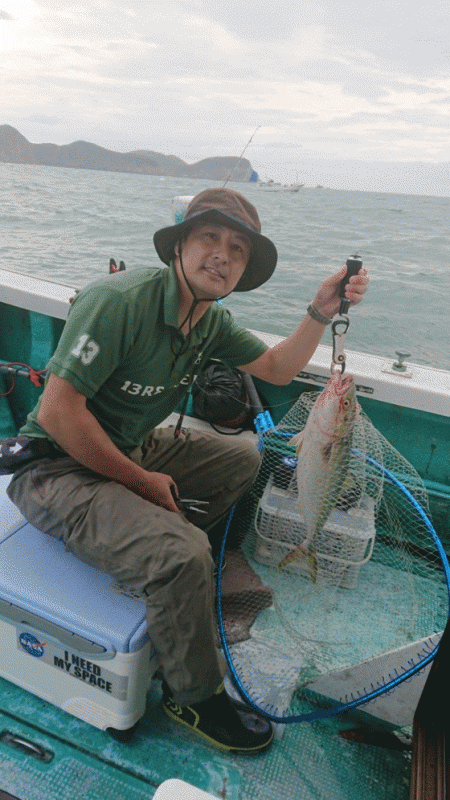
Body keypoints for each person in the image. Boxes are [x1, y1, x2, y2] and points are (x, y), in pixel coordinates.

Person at [5, 188, 369, 754]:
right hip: (56, 470)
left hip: (127, 448)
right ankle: (194, 696)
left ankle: (173, 574)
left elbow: (277, 366)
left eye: (238, 249)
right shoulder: (118, 300)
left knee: (244, 457)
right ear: (178, 246)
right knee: (181, 554)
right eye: (210, 237)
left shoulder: (209, 322)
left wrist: (319, 312)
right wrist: (142, 482)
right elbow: (56, 412)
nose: (223, 255)